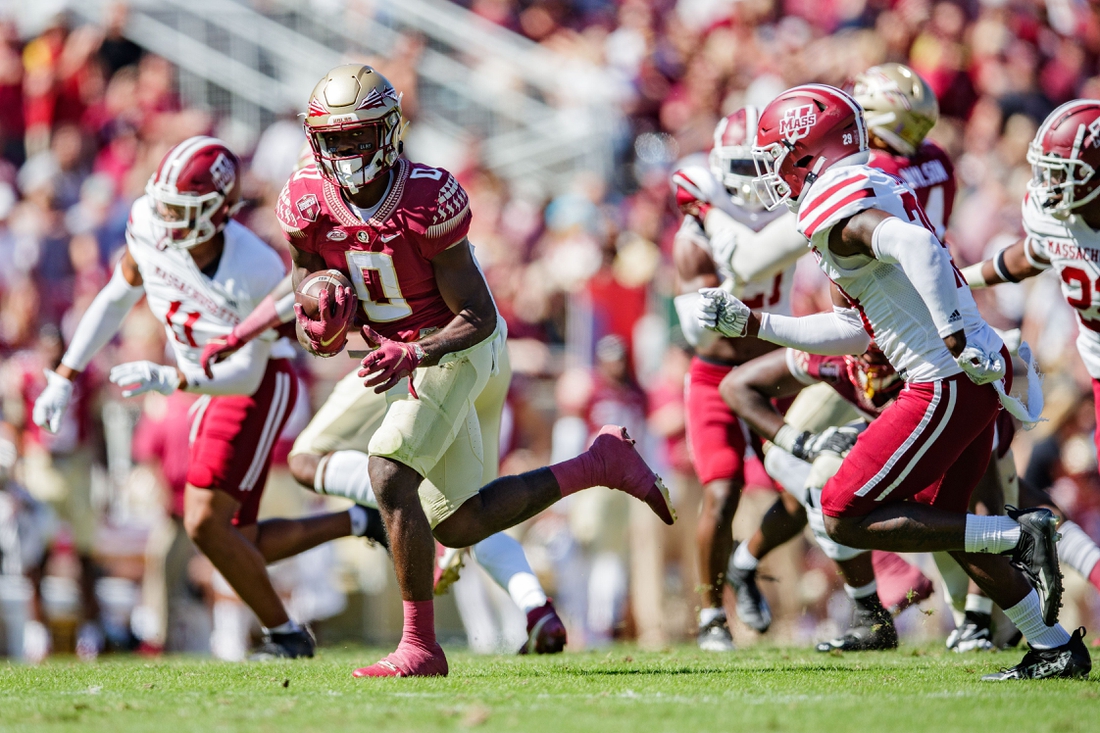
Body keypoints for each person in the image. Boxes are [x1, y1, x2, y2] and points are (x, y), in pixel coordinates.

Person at [276, 64, 673, 677]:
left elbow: (478, 316)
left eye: (360, 136)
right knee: (457, 523)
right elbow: (306, 278)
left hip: (449, 346)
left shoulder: (427, 196)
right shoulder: (305, 199)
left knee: (389, 472)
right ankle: (598, 463)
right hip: (392, 354)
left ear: (390, 131)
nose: (347, 151)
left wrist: (414, 352)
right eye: (335, 138)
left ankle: (420, 646)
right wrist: (318, 314)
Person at [698, 83, 1089, 680]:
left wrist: (954, 331)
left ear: (807, 151)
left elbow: (915, 248)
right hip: (966, 377)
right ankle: (1054, 645)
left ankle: (1017, 534)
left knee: (841, 510)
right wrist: (758, 323)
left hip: (942, 380)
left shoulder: (836, 201)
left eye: (778, 152)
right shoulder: (867, 183)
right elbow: (855, 333)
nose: (773, 168)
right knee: (953, 524)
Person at [31, 136, 383, 660]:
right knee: (230, 537)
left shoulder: (255, 266)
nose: (166, 216)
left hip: (261, 383)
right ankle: (358, 521)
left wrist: (171, 379)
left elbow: (244, 374)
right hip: (200, 380)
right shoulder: (149, 225)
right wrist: (64, 374)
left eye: (182, 208)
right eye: (165, 203)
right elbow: (115, 295)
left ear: (217, 212)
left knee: (205, 526)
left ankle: (287, 636)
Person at [670, 106, 807, 650]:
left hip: (775, 368)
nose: (755, 182)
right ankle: (710, 613)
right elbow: (702, 333)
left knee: (804, 493)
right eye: (742, 168)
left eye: (763, 166)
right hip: (717, 373)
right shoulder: (694, 235)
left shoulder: (797, 207)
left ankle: (747, 563)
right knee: (722, 493)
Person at [962, 97, 1100, 601]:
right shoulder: (1051, 214)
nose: (1049, 186)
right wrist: (964, 279)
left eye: (1064, 173)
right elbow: (1028, 256)